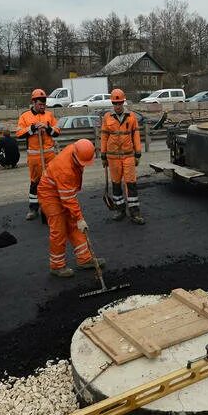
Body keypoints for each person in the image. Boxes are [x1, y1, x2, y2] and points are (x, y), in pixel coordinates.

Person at [38, 138, 106, 277]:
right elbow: (68, 199)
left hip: (62, 190)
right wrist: (80, 218)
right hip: (49, 195)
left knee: (74, 225)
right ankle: (57, 266)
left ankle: (85, 259)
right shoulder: (64, 170)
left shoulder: (76, 149)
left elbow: (69, 196)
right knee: (59, 230)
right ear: (75, 155)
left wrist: (77, 219)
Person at [100, 88, 145, 224]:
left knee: (131, 183)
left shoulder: (131, 117)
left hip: (128, 156)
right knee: (116, 184)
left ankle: (134, 212)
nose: (117, 106)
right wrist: (103, 156)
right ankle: (120, 209)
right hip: (112, 158)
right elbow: (103, 137)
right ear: (112, 103)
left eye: (119, 103)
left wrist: (138, 154)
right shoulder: (107, 118)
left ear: (123, 102)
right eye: (115, 103)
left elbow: (136, 136)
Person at [16, 89, 60, 220]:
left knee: (51, 181)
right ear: (34, 103)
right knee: (35, 182)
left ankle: (52, 206)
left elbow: (57, 131)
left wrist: (47, 128)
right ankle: (33, 209)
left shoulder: (49, 116)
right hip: (35, 156)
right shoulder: (25, 117)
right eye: (40, 104)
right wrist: (33, 128)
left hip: (50, 155)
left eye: (44, 104)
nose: (42, 106)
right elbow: (19, 134)